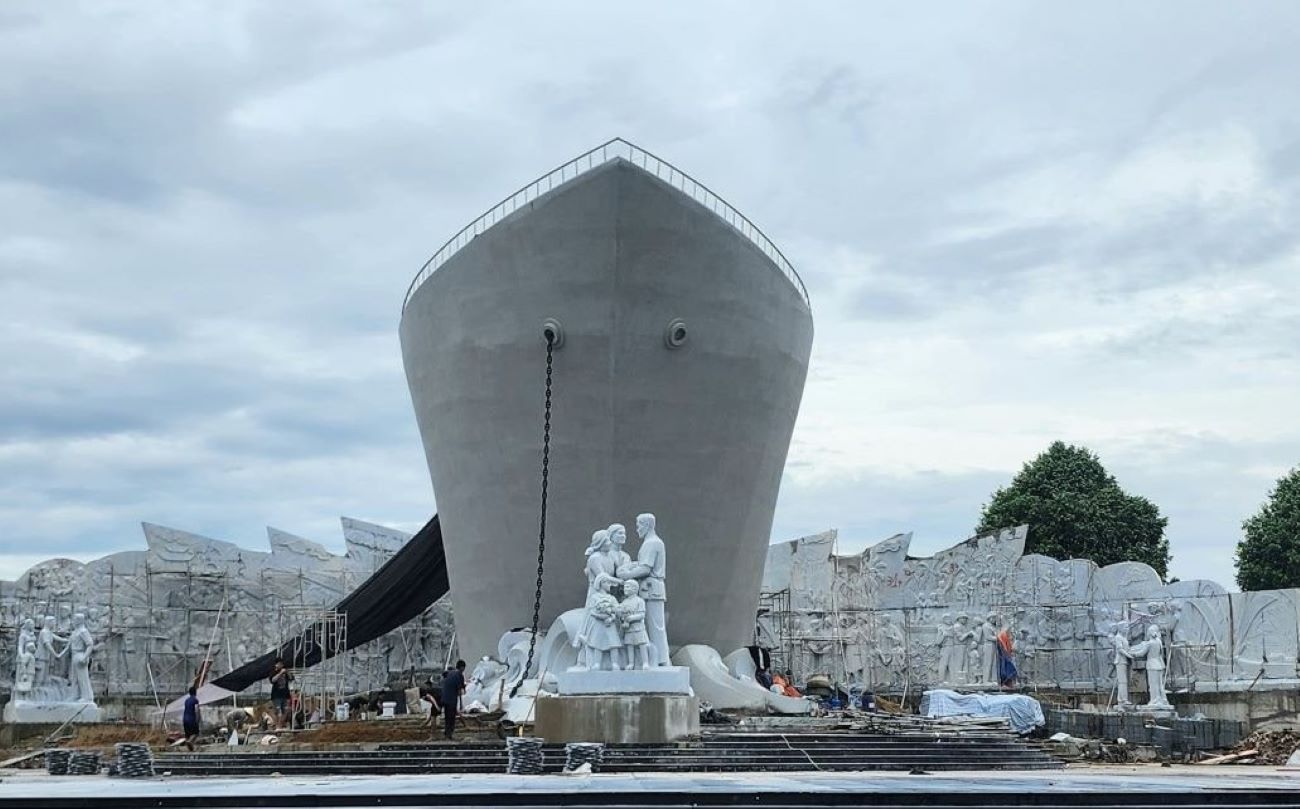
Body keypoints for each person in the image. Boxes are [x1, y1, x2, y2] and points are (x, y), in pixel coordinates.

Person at [440, 659, 467, 741]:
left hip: (444, 698)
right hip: (451, 699)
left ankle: (446, 733)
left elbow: (444, 674)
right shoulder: (459, 675)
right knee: (451, 717)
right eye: (464, 668)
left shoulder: (450, 672)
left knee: (447, 716)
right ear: (462, 667)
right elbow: (460, 690)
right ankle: (449, 734)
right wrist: (461, 704)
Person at [269, 658, 293, 729]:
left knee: (285, 712)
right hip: (276, 696)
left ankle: (280, 726)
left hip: (286, 695)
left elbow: (291, 678)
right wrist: (280, 673)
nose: (281, 665)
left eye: (282, 664)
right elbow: (273, 680)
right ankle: (277, 726)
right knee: (278, 712)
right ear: (276, 664)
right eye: (279, 664)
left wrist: (287, 673)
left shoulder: (285, 671)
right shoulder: (273, 672)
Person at [182, 686, 201, 751]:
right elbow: (196, 710)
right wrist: (198, 719)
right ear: (195, 692)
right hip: (191, 719)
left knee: (188, 735)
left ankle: (190, 750)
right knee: (196, 733)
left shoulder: (186, 700)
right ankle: (190, 742)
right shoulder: (195, 700)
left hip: (185, 719)